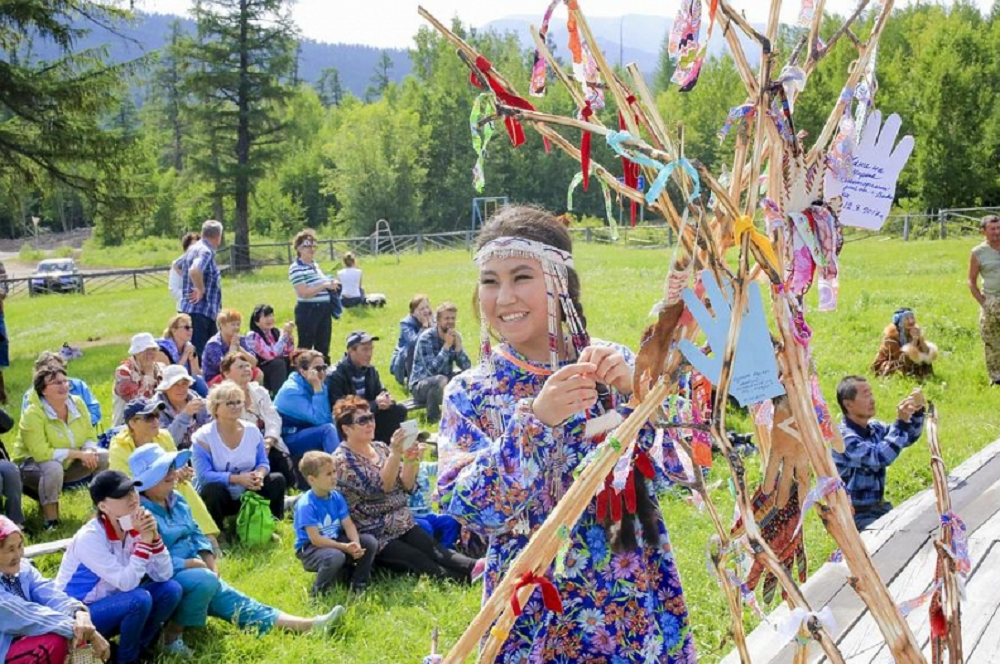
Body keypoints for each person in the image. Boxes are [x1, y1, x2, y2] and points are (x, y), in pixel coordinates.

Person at [437, 206, 695, 662]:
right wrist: (536, 424)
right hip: (532, 605)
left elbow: (685, 469)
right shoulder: (473, 391)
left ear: (560, 282)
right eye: (490, 281)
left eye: (521, 277)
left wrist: (644, 395)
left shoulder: (614, 363)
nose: (503, 298)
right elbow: (470, 510)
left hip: (626, 589)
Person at [131, 446, 345, 646]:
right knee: (205, 582)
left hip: (199, 573)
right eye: (162, 470)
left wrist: (210, 560)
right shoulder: (138, 513)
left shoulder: (176, 498)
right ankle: (172, 635)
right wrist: (190, 564)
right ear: (146, 481)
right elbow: (148, 561)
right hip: (166, 578)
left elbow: (196, 532)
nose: (171, 473)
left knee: (239, 602)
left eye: (171, 467)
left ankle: (309, 625)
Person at [333, 396, 477, 581]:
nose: (370, 423)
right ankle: (468, 580)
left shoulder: (380, 448)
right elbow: (381, 488)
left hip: (402, 521)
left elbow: (407, 485)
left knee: (436, 550)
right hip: (374, 532)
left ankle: (481, 568)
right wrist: (395, 454)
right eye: (362, 420)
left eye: (371, 417)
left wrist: (411, 459)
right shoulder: (342, 461)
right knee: (419, 560)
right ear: (346, 428)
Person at [54, 471, 184, 663]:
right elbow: (127, 584)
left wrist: (154, 538)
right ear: (103, 506)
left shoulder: (133, 523)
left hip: (115, 604)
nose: (132, 497)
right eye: (121, 494)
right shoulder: (90, 537)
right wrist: (145, 544)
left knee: (171, 590)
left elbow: (164, 574)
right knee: (138, 599)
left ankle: (136, 651)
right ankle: (127, 659)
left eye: (132, 490)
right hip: (78, 617)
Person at [0, 516, 111, 664]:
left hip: (20, 640)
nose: (18, 555)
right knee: (57, 639)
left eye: (20, 546)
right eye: (10, 549)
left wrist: (78, 612)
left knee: (73, 629)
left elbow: (50, 594)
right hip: (4, 650)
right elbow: (29, 615)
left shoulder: (24, 569)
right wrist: (84, 631)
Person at [108, 397, 219, 542]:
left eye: (157, 415)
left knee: (182, 484)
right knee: (172, 485)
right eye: (149, 417)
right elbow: (124, 482)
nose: (155, 421)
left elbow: (173, 465)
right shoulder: (119, 446)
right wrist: (163, 478)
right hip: (133, 493)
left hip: (162, 487)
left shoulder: (164, 436)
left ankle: (207, 537)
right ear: (132, 423)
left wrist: (181, 472)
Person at [14, 366, 110, 531]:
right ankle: (51, 522)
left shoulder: (78, 403)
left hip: (68, 463)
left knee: (103, 456)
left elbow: (89, 435)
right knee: (53, 467)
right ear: (43, 390)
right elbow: (41, 453)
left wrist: (88, 450)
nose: (64, 385)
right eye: (57, 383)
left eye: (65, 381)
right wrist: (78, 454)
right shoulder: (33, 413)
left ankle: (101, 511)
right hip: (31, 467)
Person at [833, 376, 927, 531]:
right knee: (893, 539)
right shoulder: (843, 439)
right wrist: (901, 423)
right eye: (866, 395)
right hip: (855, 516)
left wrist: (916, 413)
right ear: (848, 404)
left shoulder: (874, 428)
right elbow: (880, 457)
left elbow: (907, 437)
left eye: (871, 393)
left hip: (879, 508)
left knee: (918, 525)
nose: (872, 399)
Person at [191, 381, 286, 531]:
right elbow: (203, 476)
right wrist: (236, 479)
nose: (235, 407)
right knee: (212, 490)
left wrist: (259, 475)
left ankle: (269, 524)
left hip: (249, 489)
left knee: (277, 480)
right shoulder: (203, 437)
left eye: (238, 402)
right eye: (229, 403)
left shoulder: (252, 431)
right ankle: (217, 532)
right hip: (222, 494)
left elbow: (263, 462)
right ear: (216, 408)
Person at [293, 451, 377, 596]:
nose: (334, 477)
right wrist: (344, 547)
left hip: (334, 540)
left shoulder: (336, 496)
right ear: (312, 479)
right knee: (335, 556)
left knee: (369, 542)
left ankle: (358, 582)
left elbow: (348, 524)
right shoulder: (306, 505)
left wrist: (355, 544)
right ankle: (318, 592)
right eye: (328, 474)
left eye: (334, 472)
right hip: (310, 549)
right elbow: (316, 539)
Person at [221, 351, 295, 489]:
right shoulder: (224, 398)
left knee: (283, 467)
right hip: (244, 449)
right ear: (226, 373)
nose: (246, 369)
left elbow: (274, 418)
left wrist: (269, 440)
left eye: (247, 366)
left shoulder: (260, 391)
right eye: (240, 367)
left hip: (269, 443)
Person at [327, 331, 407, 446]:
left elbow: (383, 393)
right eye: (364, 349)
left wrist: (388, 400)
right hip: (350, 421)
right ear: (351, 351)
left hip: (369, 414)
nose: (369, 354)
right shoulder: (335, 375)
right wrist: (375, 404)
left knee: (398, 410)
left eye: (371, 349)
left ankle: (387, 451)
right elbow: (341, 410)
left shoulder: (371, 371)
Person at [274, 350, 341, 484]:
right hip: (289, 438)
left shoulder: (319, 383)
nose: (322, 373)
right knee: (327, 430)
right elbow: (321, 420)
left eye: (324, 367)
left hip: (308, 430)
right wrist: (317, 388)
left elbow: (326, 417)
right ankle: (340, 474)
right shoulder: (291, 391)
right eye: (317, 369)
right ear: (303, 371)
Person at [409, 303, 472, 423]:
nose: (450, 321)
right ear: (438, 320)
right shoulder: (425, 339)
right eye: (447, 318)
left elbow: (467, 367)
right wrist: (446, 346)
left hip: (445, 379)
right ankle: (434, 417)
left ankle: (464, 413)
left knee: (465, 377)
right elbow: (432, 371)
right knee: (440, 379)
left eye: (453, 318)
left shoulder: (455, 336)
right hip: (420, 384)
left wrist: (458, 349)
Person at [289, 229, 340, 363]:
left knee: (323, 346)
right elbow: (303, 293)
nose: (311, 249)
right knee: (305, 348)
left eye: (313, 245)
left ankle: (323, 374)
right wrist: (324, 286)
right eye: (307, 245)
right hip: (308, 310)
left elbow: (320, 282)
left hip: (323, 309)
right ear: (299, 248)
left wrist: (331, 283)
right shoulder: (296, 268)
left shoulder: (315, 265)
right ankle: (303, 375)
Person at [21, 351, 101, 427]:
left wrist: (80, 426)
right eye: (49, 371)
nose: (55, 373)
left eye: (58, 369)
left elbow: (94, 410)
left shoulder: (78, 386)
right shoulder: (31, 396)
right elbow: (29, 423)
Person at [180, 219, 224, 356]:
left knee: (212, 352)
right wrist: (200, 289)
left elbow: (177, 265)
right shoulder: (206, 251)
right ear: (218, 237)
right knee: (202, 355)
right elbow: (194, 270)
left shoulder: (193, 248)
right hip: (201, 312)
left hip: (194, 311)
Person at [969, 214, 1000, 385]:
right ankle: (996, 378)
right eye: (993, 229)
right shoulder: (978, 252)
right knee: (992, 340)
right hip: (992, 301)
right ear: (983, 231)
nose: (997, 232)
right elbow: (971, 281)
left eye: (999, 228)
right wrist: (983, 302)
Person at [112, 333, 163, 426]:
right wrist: (147, 377)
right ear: (136, 353)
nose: (150, 353)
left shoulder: (161, 368)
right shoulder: (124, 372)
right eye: (146, 350)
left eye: (153, 349)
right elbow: (135, 403)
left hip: (159, 421)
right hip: (129, 424)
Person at [154, 365, 210, 450]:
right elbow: (167, 443)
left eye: (184, 383)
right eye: (175, 384)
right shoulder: (156, 408)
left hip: (199, 452)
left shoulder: (196, 399)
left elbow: (210, 432)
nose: (181, 388)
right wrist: (185, 415)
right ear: (165, 388)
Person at [871, 308, 938, 378]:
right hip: (889, 364)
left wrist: (920, 339)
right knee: (902, 365)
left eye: (912, 317)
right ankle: (907, 377)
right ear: (900, 322)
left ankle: (922, 377)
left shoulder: (914, 331)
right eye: (907, 319)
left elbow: (927, 353)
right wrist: (914, 341)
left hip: (905, 361)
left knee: (923, 360)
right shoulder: (891, 338)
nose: (911, 321)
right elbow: (904, 359)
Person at [409, 460, 460, 550]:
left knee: (451, 521)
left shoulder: (424, 466)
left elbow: (443, 466)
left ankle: (446, 551)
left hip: (428, 514)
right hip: (411, 516)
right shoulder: (402, 469)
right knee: (426, 527)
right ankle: (430, 553)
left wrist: (460, 462)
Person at [154, 313, 209, 397]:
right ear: (174, 330)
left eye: (191, 327)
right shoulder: (163, 350)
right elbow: (170, 377)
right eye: (186, 327)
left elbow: (197, 375)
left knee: (199, 379)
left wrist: (191, 361)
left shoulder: (189, 347)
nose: (190, 330)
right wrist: (184, 355)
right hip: (171, 388)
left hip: (187, 384)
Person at [245, 304, 294, 394]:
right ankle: (279, 396)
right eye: (266, 316)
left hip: (279, 366)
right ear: (256, 321)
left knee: (295, 361)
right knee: (278, 363)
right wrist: (284, 336)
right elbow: (270, 355)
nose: (270, 319)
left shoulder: (276, 332)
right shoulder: (252, 336)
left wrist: (289, 336)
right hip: (262, 369)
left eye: (271, 315)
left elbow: (288, 351)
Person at [201, 309, 257, 384]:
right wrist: (232, 348)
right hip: (215, 379)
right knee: (235, 374)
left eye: (238, 324)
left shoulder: (241, 339)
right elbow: (224, 369)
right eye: (233, 324)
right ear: (222, 325)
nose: (236, 327)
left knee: (257, 372)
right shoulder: (214, 344)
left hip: (237, 371)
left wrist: (239, 348)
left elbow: (254, 362)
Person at [390, 294, 433, 387]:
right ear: (413, 312)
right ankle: (411, 382)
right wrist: (424, 328)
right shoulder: (406, 323)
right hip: (403, 361)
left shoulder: (431, 320)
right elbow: (414, 342)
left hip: (422, 359)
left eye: (427, 307)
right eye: (422, 309)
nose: (426, 311)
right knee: (413, 348)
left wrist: (433, 326)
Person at [168, 232, 200, 312]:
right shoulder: (177, 265)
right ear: (186, 248)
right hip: (184, 310)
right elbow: (173, 290)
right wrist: (191, 295)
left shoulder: (205, 263)